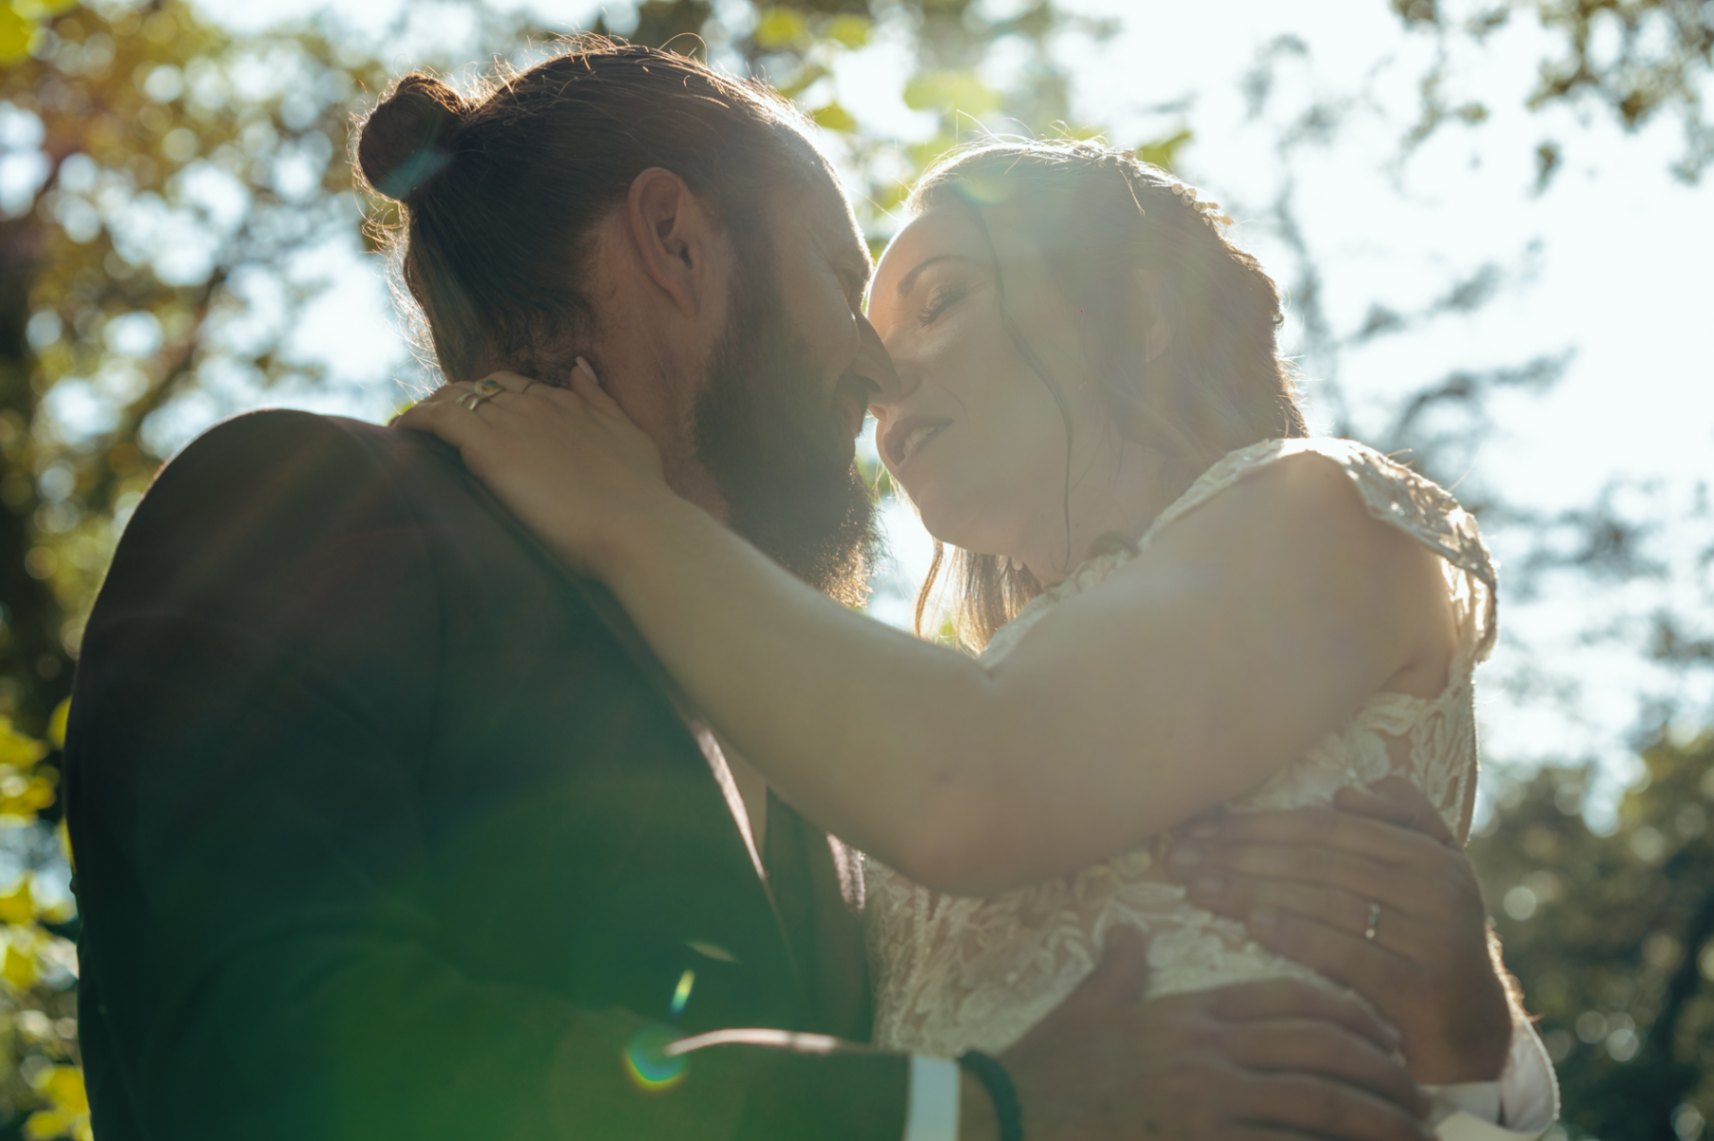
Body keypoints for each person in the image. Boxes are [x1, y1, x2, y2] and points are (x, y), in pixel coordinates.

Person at [61, 39, 1537, 1141]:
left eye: (935, 297)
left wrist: (1469, 1044)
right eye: (846, 280)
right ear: (676, 240)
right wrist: (969, 1113)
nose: (873, 360)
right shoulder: (315, 506)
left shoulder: (810, 745)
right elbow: (268, 1061)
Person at [398, 129, 1559, 1138]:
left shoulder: (1319, 507)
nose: (877, 372)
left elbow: (974, 780)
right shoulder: (921, 709)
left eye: (942, 297)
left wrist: (619, 511)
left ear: (1142, 307)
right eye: (868, 332)